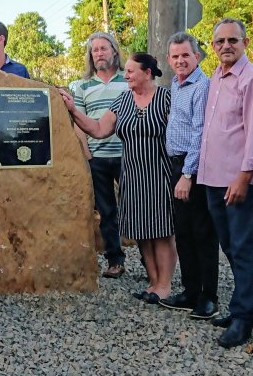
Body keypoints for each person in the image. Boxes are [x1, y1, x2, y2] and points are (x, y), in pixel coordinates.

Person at [60, 53, 177, 302]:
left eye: (131, 72)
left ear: (147, 73)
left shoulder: (167, 98)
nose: (126, 75)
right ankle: (154, 284)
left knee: (163, 231)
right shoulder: (123, 100)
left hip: (160, 173)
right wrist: (72, 110)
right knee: (142, 230)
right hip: (132, 173)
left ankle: (165, 285)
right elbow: (98, 129)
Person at [198, 18, 253, 348]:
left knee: (242, 247)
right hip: (212, 177)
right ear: (212, 46)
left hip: (235, 178)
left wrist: (245, 176)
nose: (226, 46)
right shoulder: (216, 75)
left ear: (244, 42)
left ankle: (244, 317)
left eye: (232, 40)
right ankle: (247, 305)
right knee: (229, 245)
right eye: (219, 41)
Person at [158, 33, 219, 319]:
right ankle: (190, 290)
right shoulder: (177, 84)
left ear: (197, 56)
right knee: (183, 232)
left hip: (191, 167)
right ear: (169, 60)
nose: (180, 60)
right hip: (175, 164)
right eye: (175, 56)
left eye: (185, 55)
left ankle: (208, 296)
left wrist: (187, 174)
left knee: (202, 233)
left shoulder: (202, 87)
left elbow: (200, 133)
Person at [68, 32, 127, 278]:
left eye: (104, 48)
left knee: (135, 208)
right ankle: (115, 260)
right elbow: (77, 122)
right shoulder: (81, 86)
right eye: (95, 50)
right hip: (98, 158)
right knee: (106, 211)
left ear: (114, 51)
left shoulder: (128, 80)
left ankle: (150, 261)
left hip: (127, 156)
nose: (100, 53)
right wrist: (87, 154)